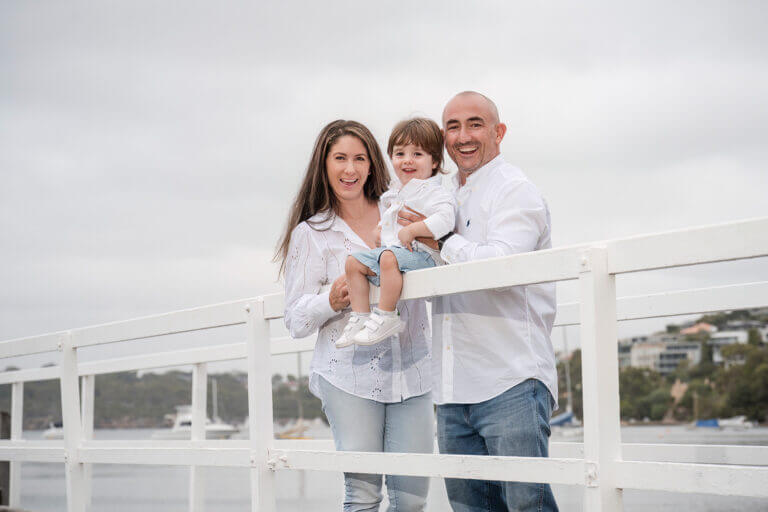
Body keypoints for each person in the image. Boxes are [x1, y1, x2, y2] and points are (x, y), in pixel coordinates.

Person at [400, 92, 559, 511]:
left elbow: (502, 270)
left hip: (511, 379)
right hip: (452, 389)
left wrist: (444, 240)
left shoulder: (515, 191)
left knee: (530, 507)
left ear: (498, 132)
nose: (463, 136)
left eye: (475, 124)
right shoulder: (440, 193)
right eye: (452, 126)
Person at [276, 119, 434, 512]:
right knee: (364, 496)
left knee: (412, 500)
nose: (351, 169)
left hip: (413, 371)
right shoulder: (311, 233)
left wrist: (429, 239)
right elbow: (295, 320)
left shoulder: (397, 208)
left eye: (360, 158)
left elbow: (435, 259)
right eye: (340, 158)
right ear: (324, 164)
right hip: (349, 376)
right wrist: (331, 299)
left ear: (371, 164)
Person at [337, 118, 456, 348]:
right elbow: (392, 225)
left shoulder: (434, 192)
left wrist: (414, 229)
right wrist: (380, 231)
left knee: (388, 257)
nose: (407, 160)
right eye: (400, 154)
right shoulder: (395, 193)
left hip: (425, 255)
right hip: (395, 256)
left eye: (417, 154)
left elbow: (446, 219)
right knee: (353, 263)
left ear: (434, 162)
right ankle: (361, 316)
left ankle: (386, 315)